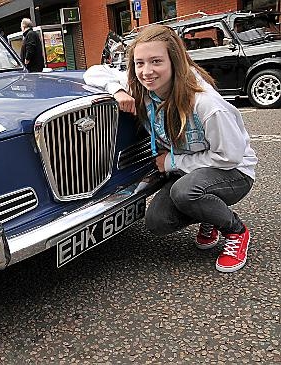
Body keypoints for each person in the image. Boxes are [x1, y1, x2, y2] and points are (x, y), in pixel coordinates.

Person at [84, 25, 257, 273]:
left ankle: (236, 231)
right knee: (157, 222)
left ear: (175, 61)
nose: (147, 71)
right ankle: (210, 215)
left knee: (185, 192)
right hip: (193, 170)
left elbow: (229, 157)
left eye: (156, 61)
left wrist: (172, 163)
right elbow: (94, 72)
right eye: (139, 63)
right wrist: (118, 90)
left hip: (234, 172)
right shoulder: (143, 88)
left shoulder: (206, 103)